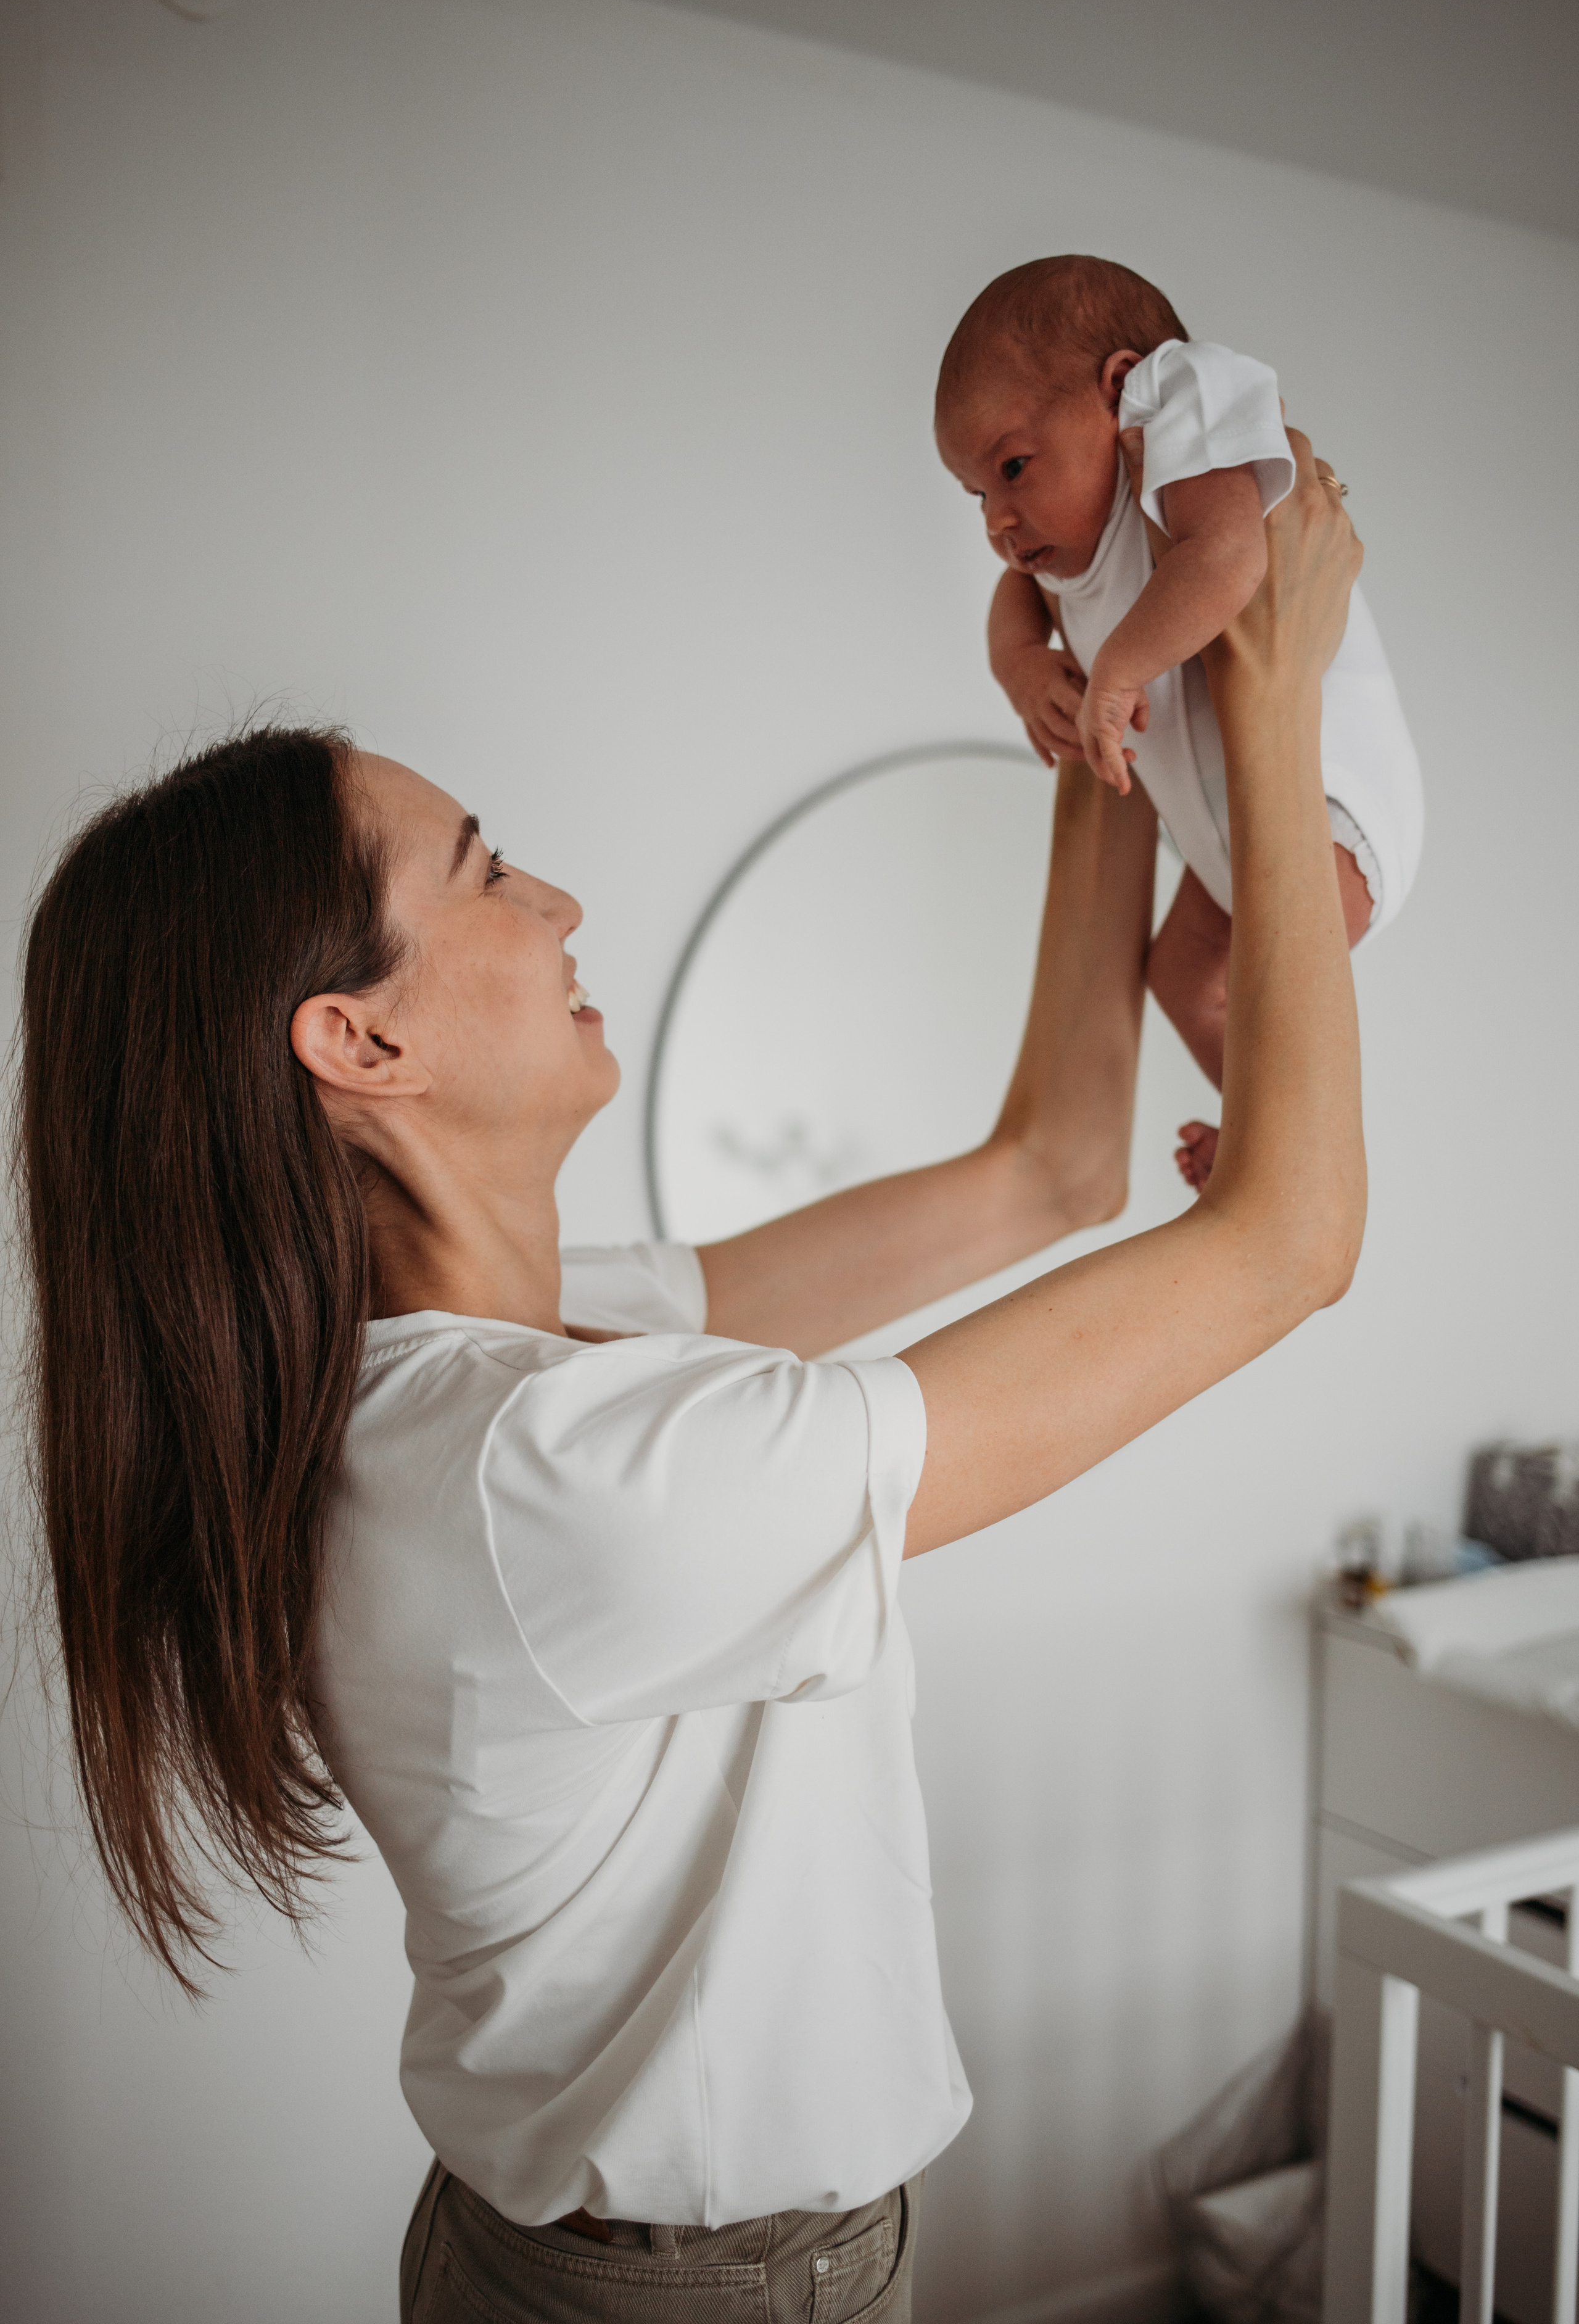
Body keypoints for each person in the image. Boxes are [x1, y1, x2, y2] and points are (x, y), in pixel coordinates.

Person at [15, 432, 1364, 2324]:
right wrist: (1278, 690)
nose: (558, 901)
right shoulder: (555, 1463)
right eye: (486, 872)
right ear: (360, 1041)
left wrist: (1114, 677)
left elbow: (1056, 1160)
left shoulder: (507, 1374)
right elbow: (1289, 1241)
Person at [935, 254, 1423, 1189]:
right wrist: (1020, 664)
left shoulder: (1175, 406)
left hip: (1333, 804)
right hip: (1231, 838)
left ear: (1121, 385)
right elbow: (1014, 597)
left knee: (1269, 992)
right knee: (1180, 982)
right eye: (978, 497)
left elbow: (1229, 554)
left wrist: (1118, 668)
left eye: (1012, 466)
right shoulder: (1048, 556)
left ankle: (1304, 1153)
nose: (1000, 519)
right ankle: (1256, 1128)